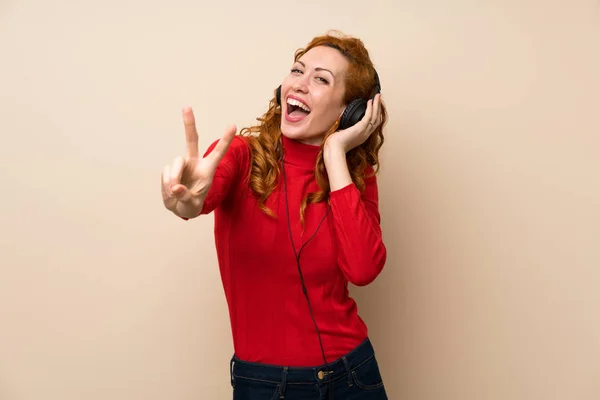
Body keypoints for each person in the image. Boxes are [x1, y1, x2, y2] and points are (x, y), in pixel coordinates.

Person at [161, 31, 389, 399]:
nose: (300, 84)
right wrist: (185, 201)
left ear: (350, 111)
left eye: (320, 79)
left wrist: (334, 155)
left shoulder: (353, 177)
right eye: (297, 71)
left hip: (352, 375)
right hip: (267, 386)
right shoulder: (239, 155)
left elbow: (363, 269)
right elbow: (197, 198)